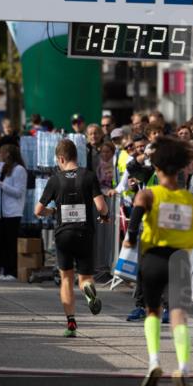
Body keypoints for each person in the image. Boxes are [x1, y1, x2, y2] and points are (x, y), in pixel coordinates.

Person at [122, 136, 193, 386]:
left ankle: (154, 361)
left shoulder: (147, 195)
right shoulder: (192, 200)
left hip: (153, 260)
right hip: (180, 260)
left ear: (157, 168)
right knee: (179, 314)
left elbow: (132, 230)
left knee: (153, 311)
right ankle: (182, 367)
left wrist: (130, 241)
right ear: (182, 169)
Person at [36, 139, 108, 337]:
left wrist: (52, 212)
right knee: (85, 277)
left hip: (63, 235)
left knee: (66, 278)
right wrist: (104, 216)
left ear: (61, 158)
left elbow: (38, 210)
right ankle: (87, 289)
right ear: (77, 156)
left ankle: (71, 324)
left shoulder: (55, 179)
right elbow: (102, 206)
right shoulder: (89, 176)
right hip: (85, 233)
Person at [0, 143, 27, 281]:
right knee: (1, 243)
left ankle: (12, 271)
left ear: (8, 154)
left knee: (11, 243)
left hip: (13, 212)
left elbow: (18, 192)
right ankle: (3, 270)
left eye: (2, 152)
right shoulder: (1, 168)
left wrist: (0, 185)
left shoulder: (19, 170)